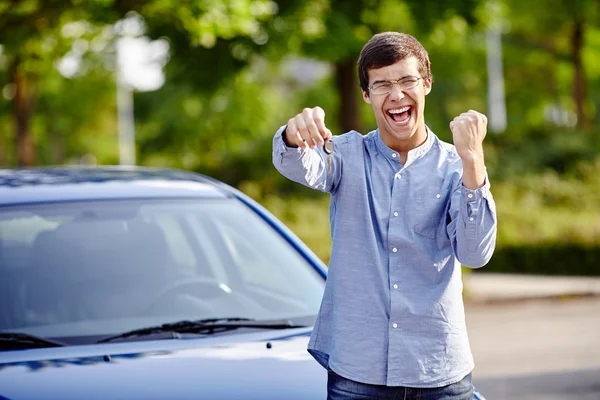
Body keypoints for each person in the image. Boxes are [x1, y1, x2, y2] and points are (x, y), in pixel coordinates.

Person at [272, 32, 497, 400]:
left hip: (439, 375)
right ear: (366, 95)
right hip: (358, 376)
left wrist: (473, 160)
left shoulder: (456, 165)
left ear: (426, 84)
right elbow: (295, 163)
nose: (396, 95)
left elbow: (475, 254)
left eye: (407, 80)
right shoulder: (345, 155)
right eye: (382, 85)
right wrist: (294, 135)